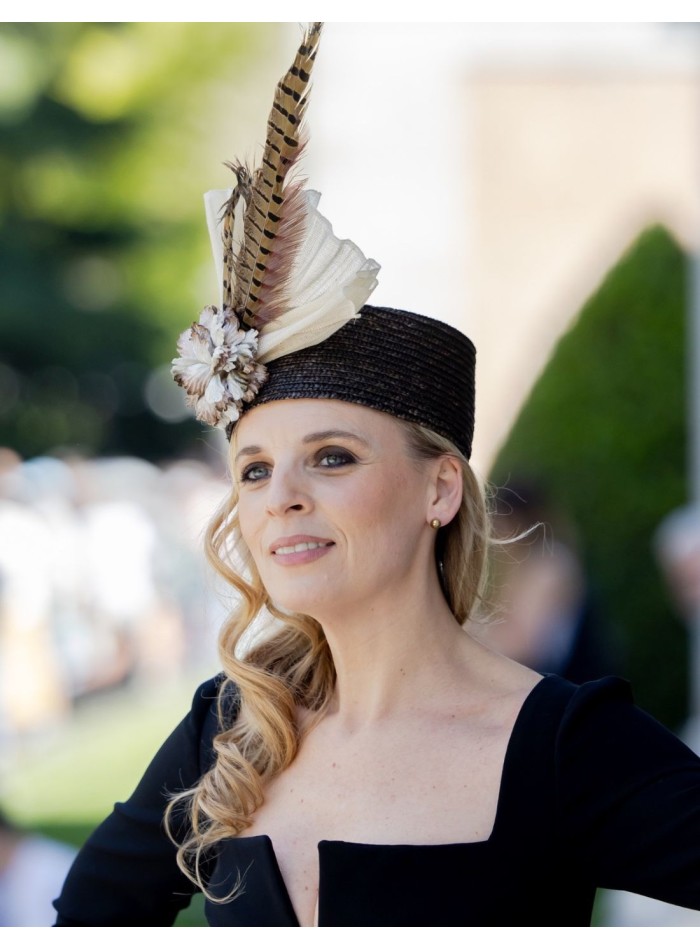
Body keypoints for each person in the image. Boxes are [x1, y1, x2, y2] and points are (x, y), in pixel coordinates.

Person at [53, 23, 700, 927]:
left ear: (440, 489)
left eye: (332, 457)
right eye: (253, 470)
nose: (281, 497)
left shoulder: (560, 745)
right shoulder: (232, 729)